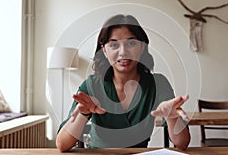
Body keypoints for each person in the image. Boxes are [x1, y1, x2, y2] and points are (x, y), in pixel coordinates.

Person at [56, 14, 190, 152]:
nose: (123, 52)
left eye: (131, 43)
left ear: (142, 47)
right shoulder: (91, 85)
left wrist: (172, 117)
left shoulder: (158, 84)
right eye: (114, 45)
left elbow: (182, 143)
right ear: (104, 50)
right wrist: (83, 115)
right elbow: (62, 145)